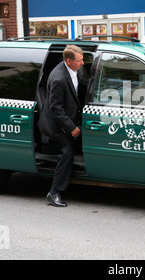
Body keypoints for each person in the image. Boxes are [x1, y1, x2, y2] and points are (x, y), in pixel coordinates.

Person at [37, 45, 86, 207]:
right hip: (55, 125)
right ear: (70, 61)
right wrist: (72, 128)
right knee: (68, 150)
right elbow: (56, 109)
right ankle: (54, 192)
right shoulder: (58, 78)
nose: (83, 63)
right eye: (80, 61)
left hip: (67, 118)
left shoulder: (71, 69)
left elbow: (80, 86)